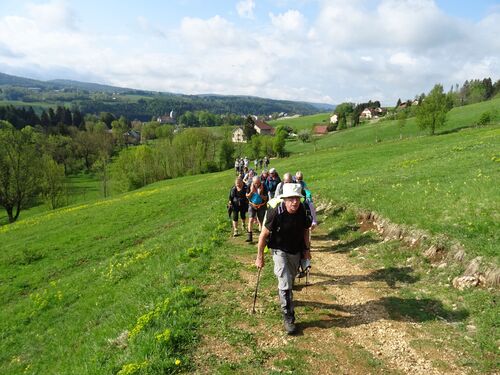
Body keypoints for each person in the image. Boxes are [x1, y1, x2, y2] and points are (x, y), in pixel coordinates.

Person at [255, 183, 312, 334]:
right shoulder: (276, 212)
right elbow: (263, 236)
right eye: (291, 199)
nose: (294, 202)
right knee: (285, 280)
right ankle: (288, 317)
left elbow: (306, 230)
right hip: (278, 249)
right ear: (284, 199)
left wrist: (306, 250)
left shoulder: (303, 211)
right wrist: (259, 257)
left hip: (295, 250)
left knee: (290, 279)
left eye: (297, 198)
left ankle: (286, 296)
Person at [246, 176, 268, 242]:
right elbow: (247, 196)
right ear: (253, 182)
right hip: (252, 205)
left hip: (261, 205)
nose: (256, 184)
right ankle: (249, 236)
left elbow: (266, 198)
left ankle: (262, 237)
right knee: (251, 219)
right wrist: (251, 192)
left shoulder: (264, 185)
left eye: (258, 183)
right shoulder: (249, 185)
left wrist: (260, 193)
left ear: (260, 181)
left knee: (261, 221)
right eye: (255, 183)